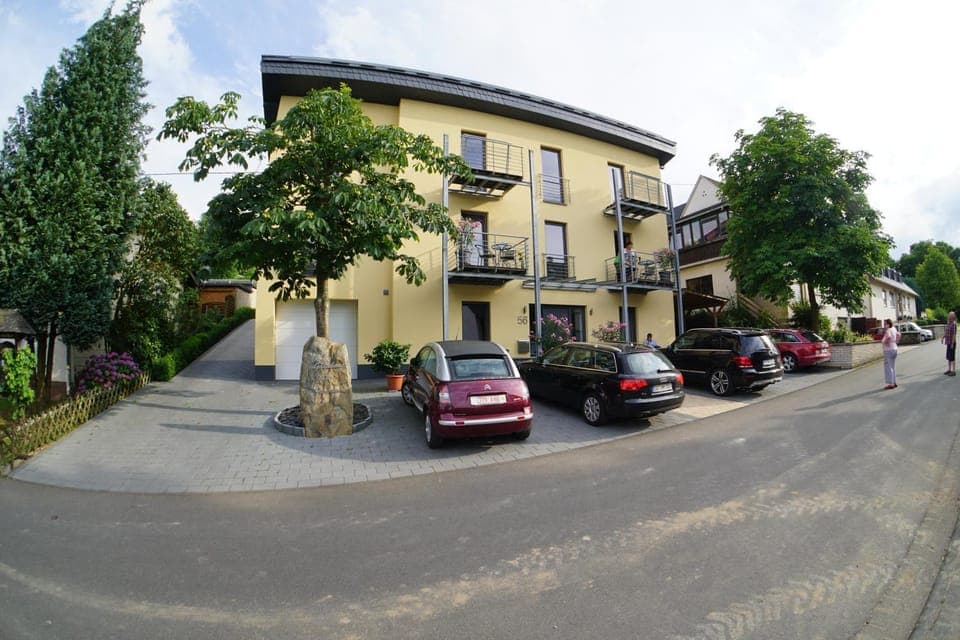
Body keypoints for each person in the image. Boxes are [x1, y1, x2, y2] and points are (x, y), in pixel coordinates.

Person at [881, 318, 900, 389]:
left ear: (888, 324)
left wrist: (886, 342)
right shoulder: (894, 329)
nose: (884, 326)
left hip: (888, 350)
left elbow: (888, 337)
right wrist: (897, 341)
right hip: (895, 348)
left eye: (885, 324)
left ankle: (891, 384)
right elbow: (899, 334)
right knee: (893, 366)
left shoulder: (888, 330)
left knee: (888, 367)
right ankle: (894, 382)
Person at [944, 311, 956, 376]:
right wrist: (943, 337)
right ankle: (949, 370)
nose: (949, 316)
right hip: (948, 342)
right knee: (948, 357)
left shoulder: (954, 324)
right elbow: (946, 332)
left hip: (952, 343)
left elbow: (954, 334)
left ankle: (953, 371)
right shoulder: (948, 323)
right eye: (949, 315)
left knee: (952, 357)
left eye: (951, 315)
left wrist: (952, 343)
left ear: (953, 317)